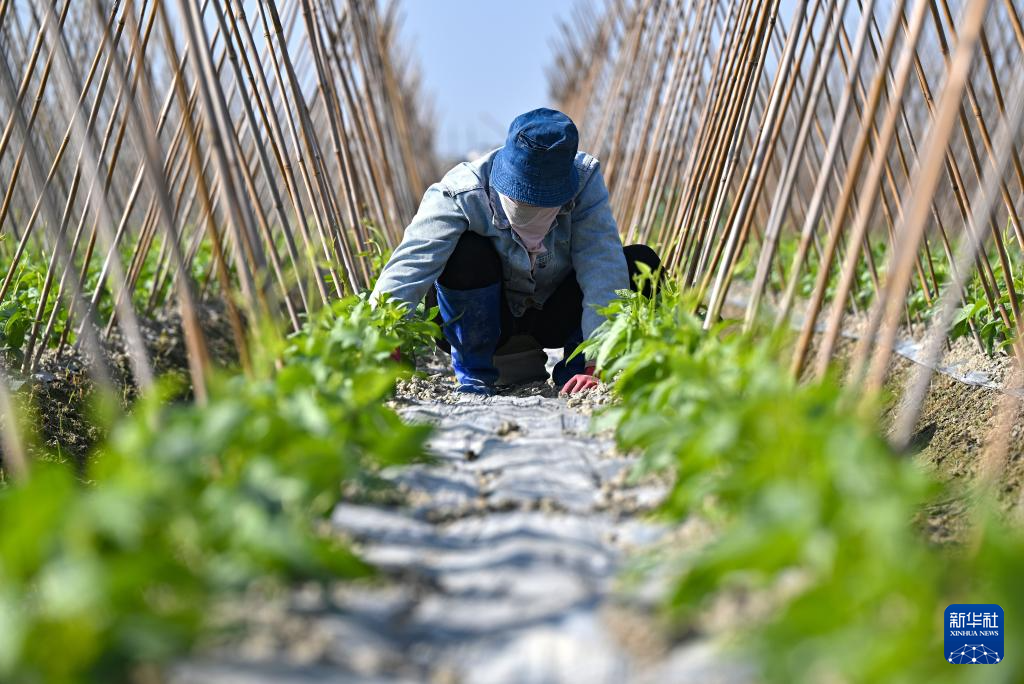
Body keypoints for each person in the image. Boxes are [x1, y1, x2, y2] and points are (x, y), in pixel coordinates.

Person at [372, 108, 660, 395]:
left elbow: (601, 263)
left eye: (542, 204)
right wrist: (379, 335)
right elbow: (412, 264)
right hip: (486, 318)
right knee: (466, 253)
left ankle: (577, 374)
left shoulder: (583, 182)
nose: (531, 210)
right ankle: (477, 369)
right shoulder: (462, 192)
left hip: (550, 313)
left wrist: (597, 359)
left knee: (639, 264)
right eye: (522, 201)